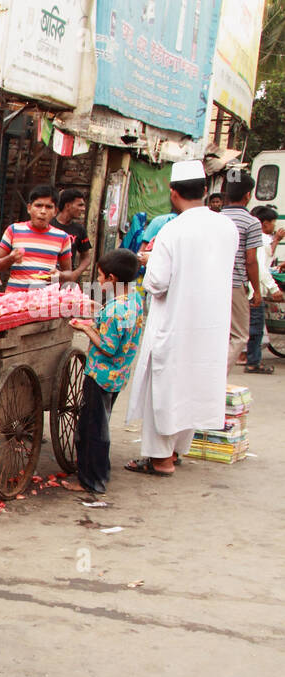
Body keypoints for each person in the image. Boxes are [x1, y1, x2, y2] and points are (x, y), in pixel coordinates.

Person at [123, 161, 239, 476]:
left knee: (164, 387)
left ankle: (160, 459)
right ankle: (175, 451)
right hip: (211, 323)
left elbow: (157, 282)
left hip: (174, 321)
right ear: (204, 190)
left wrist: (150, 261)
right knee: (194, 385)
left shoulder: (173, 229)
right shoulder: (227, 226)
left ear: (173, 193)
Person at [61, 250, 143, 495]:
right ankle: (100, 472)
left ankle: (91, 480)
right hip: (119, 375)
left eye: (100, 277)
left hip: (101, 375)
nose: (98, 282)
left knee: (92, 429)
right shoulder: (135, 300)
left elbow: (108, 347)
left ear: (113, 278)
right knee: (101, 424)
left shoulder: (114, 311)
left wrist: (85, 329)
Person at [0, 185, 73, 290]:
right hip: (14, 300)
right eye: (38, 205)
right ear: (29, 208)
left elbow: (69, 273)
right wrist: (11, 259)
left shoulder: (63, 237)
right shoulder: (13, 230)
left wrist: (60, 275)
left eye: (49, 207)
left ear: (55, 211)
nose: (43, 211)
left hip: (44, 301)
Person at [221, 172, 262, 369]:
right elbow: (251, 260)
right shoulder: (252, 222)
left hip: (211, 282)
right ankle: (218, 377)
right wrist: (257, 290)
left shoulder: (216, 218)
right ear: (248, 195)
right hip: (235, 284)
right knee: (239, 335)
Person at [247, 205, 284, 373]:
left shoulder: (257, 238)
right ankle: (253, 362)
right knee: (255, 328)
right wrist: (273, 288)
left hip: (247, 289)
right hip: (255, 291)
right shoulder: (260, 238)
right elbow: (261, 268)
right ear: (264, 223)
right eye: (272, 223)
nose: (274, 226)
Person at [53, 188, 92, 283]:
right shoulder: (49, 225)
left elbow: (86, 257)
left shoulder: (79, 229)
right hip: (46, 277)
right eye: (80, 205)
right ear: (68, 205)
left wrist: (75, 273)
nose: (83, 209)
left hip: (65, 280)